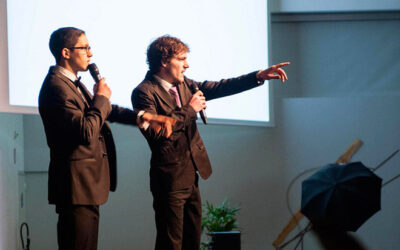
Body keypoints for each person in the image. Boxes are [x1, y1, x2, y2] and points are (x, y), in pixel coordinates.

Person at [131, 35, 289, 250]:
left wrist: (257, 76)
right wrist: (189, 109)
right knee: (171, 242)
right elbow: (157, 134)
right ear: (164, 61)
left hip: (191, 175)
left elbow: (221, 87)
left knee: (192, 240)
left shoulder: (185, 85)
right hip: (169, 179)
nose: (187, 64)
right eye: (182, 59)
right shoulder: (143, 92)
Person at [38, 27, 175, 250]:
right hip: (75, 186)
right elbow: (86, 131)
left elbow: (105, 110)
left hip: (86, 186)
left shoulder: (71, 83)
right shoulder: (57, 87)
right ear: (65, 52)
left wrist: (143, 116)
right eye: (85, 48)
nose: (90, 54)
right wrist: (100, 97)